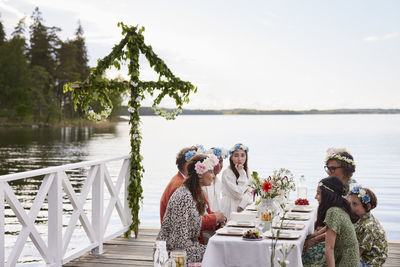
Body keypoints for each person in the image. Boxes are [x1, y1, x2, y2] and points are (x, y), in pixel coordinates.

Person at [157, 154, 219, 263]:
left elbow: (194, 223)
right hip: (172, 255)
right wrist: (208, 250)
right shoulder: (184, 197)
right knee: (220, 252)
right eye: (210, 172)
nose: (213, 176)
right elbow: (179, 243)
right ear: (199, 174)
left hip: (186, 249)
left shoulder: (195, 193)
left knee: (222, 249)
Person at [303, 147, 358, 265]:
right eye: (327, 168)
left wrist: (314, 240)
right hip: (335, 239)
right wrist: (315, 235)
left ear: (346, 169)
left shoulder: (353, 193)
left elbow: (342, 230)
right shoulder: (335, 185)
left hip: (346, 249)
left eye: (333, 168)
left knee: (304, 252)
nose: (328, 172)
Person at [159, 146, 225, 243]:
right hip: (179, 250)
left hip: (193, 240)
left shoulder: (194, 188)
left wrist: (218, 221)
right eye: (210, 171)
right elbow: (183, 230)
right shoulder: (180, 189)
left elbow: (203, 214)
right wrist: (215, 218)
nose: (214, 176)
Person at [349, 186, 388, 267]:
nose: (350, 207)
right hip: (364, 255)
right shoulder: (361, 218)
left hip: (370, 262)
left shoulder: (367, 227)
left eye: (354, 204)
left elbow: (356, 254)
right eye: (350, 203)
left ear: (368, 206)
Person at [220, 143, 253, 220]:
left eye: (242, 155)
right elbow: (237, 193)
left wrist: (242, 205)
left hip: (242, 207)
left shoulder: (247, 172)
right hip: (230, 207)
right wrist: (241, 173)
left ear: (246, 157)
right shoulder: (227, 173)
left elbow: (250, 191)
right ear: (231, 158)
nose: (239, 159)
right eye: (236, 155)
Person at [203, 147, 228, 212]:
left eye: (221, 161)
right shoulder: (203, 183)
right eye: (215, 162)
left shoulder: (218, 182)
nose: (218, 165)